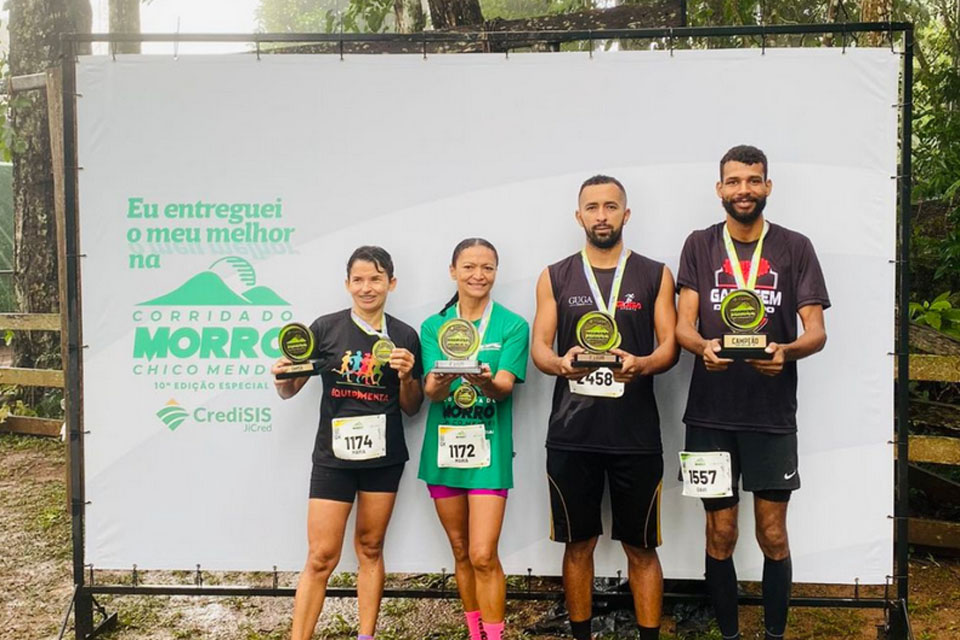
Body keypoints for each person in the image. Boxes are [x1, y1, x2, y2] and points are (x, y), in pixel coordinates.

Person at [675, 145, 829, 640]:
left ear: (768, 186)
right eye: (734, 181)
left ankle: (774, 635)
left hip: (771, 416)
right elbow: (683, 326)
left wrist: (787, 351)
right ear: (719, 188)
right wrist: (702, 346)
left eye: (754, 180)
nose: (744, 189)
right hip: (710, 416)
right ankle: (729, 635)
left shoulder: (795, 246)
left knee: (772, 532)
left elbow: (816, 332)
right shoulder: (699, 244)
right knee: (720, 532)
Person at [531, 175, 679, 640]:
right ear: (579, 216)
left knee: (641, 547)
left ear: (626, 214)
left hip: (635, 437)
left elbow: (670, 347)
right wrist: (559, 364)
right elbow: (540, 347)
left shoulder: (655, 273)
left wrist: (644, 363)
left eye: (611, 207)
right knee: (578, 544)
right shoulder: (555, 274)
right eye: (592, 207)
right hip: (573, 435)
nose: (601, 215)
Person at [271, 246, 424, 640]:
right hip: (333, 458)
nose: (366, 287)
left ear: (391, 283)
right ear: (347, 284)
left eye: (375, 279)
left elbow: (412, 407)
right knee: (321, 556)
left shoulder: (405, 335)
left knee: (370, 548)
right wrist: (281, 375)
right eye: (358, 279)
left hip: (384, 458)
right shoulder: (324, 329)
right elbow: (289, 391)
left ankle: (366, 636)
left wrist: (408, 378)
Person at [419, 238, 530, 640]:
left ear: (496, 273)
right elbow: (431, 391)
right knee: (462, 551)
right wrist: (445, 377)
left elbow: (503, 388)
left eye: (487, 267)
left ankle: (494, 638)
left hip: (489, 453)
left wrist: (485, 379)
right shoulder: (434, 326)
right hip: (444, 452)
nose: (478, 275)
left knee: (484, 555)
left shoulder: (513, 325)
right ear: (453, 271)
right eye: (468, 267)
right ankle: (475, 633)